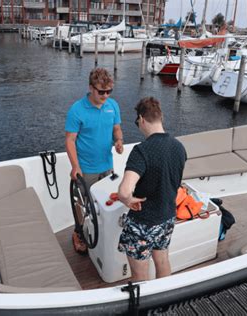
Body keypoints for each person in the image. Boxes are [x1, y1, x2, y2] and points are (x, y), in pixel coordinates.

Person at [117, 97, 186, 281]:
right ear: (160, 117)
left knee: (140, 277)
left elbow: (124, 191)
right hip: (167, 217)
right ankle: (164, 305)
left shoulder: (142, 151)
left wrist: (128, 200)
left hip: (143, 223)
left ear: (141, 119)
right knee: (162, 262)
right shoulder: (179, 147)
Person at [65, 67, 124, 254]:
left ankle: (101, 231)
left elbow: (116, 129)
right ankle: (79, 232)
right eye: (101, 92)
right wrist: (75, 167)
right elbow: (70, 140)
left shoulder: (112, 105)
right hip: (86, 169)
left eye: (109, 91)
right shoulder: (77, 110)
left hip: (107, 166)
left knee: (106, 202)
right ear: (91, 88)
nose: (105, 95)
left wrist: (119, 141)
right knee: (82, 203)